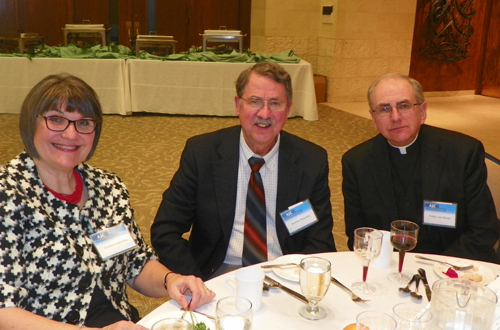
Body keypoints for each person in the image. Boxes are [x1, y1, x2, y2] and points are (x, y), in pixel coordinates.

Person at [0, 73, 215, 330]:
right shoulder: (8, 194)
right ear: (30, 124)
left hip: (116, 320)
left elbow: (133, 263)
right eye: (56, 119)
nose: (71, 134)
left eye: (84, 123)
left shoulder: (107, 188)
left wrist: (171, 280)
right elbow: (4, 310)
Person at [151, 62, 336, 280]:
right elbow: (165, 229)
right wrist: (193, 279)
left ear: (288, 109)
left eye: (275, 103)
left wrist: (300, 281)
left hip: (285, 274)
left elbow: (320, 238)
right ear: (238, 105)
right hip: (218, 272)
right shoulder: (202, 153)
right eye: (255, 101)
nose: (265, 114)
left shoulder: (311, 160)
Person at [342, 73, 500, 262]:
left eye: (404, 105)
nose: (395, 117)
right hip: (387, 269)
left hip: (453, 265)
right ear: (374, 119)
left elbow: (483, 230)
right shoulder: (357, 162)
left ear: (422, 111)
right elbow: (358, 235)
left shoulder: (462, 153)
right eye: (384, 109)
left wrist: (440, 268)